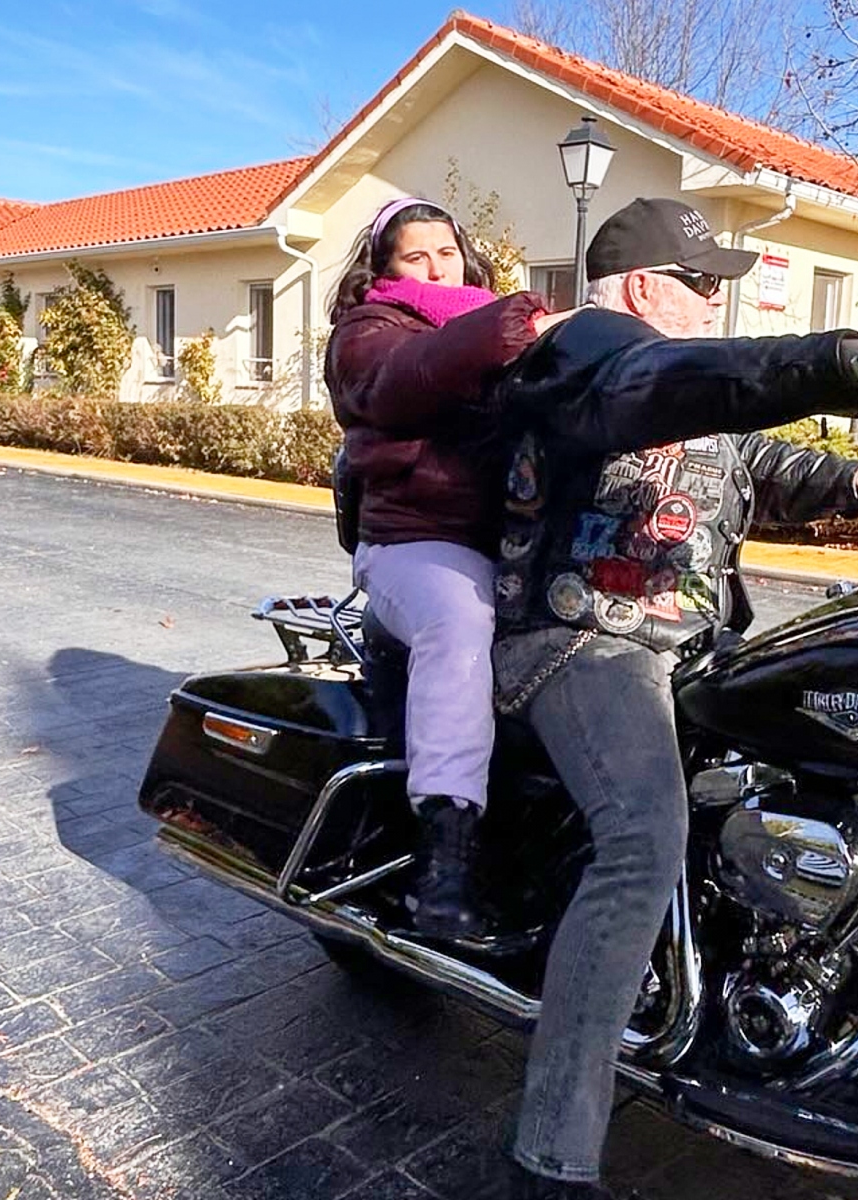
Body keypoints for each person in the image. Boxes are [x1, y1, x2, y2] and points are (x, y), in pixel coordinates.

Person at [484, 197, 858, 1199]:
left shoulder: (678, 393)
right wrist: (849, 360)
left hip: (688, 648)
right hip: (582, 637)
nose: (717, 302)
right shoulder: (586, 354)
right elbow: (695, 381)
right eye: (701, 283)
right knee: (642, 843)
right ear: (639, 286)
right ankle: (552, 1153)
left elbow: (755, 461)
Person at [325, 196, 558, 940]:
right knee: (462, 621)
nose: (435, 268)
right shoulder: (370, 332)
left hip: (511, 547)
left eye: (447, 253)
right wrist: (513, 327)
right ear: (385, 267)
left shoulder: (495, 329)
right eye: (416, 256)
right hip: (412, 544)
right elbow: (405, 378)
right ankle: (444, 854)